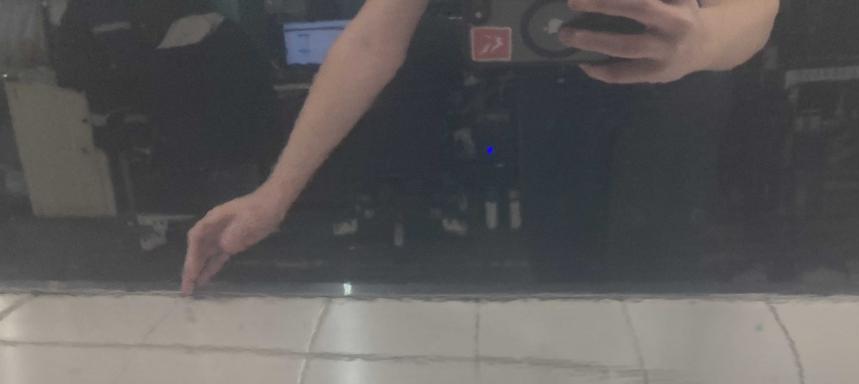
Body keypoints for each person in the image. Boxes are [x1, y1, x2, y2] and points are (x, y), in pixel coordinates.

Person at [182, 0, 779, 293]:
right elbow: (371, 41)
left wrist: (702, 42)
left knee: (666, 291)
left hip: (683, 95)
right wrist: (273, 196)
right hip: (556, 96)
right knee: (567, 295)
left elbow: (756, 10)